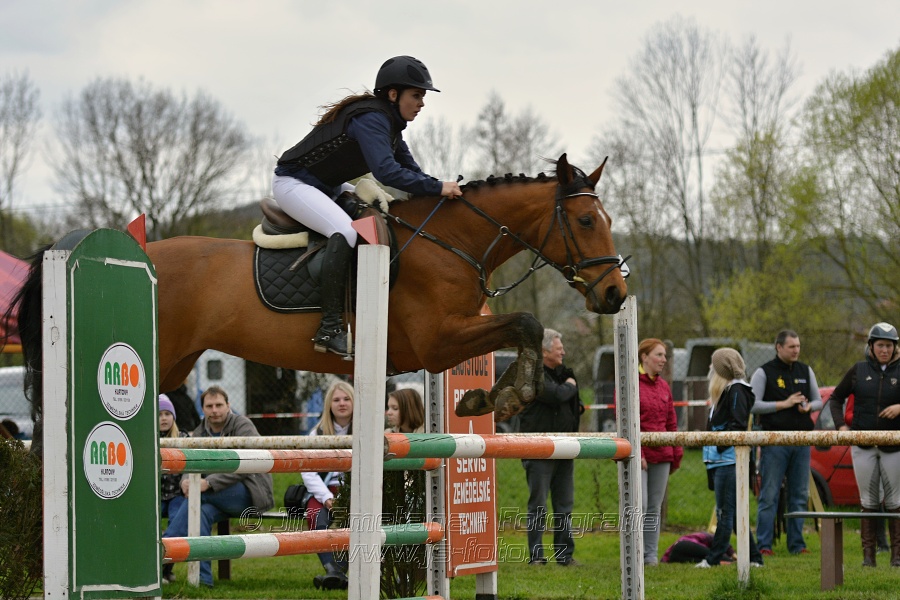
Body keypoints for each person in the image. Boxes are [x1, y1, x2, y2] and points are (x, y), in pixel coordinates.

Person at [273, 55, 463, 357]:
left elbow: (410, 170)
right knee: (346, 233)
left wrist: (440, 192)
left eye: (422, 96)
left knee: (381, 216)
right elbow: (386, 172)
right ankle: (329, 329)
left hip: (327, 188)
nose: (422, 103)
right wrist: (438, 187)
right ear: (393, 94)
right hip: (294, 184)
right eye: (416, 95)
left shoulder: (390, 125)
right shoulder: (372, 120)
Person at [161, 386, 274, 587]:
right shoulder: (200, 432)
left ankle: (161, 554)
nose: (214, 410)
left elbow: (247, 465)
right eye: (209, 406)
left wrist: (208, 483)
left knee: (199, 497)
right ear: (203, 409)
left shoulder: (243, 425)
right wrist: (186, 481)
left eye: (219, 405)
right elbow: (190, 462)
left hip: (251, 491)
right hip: (215, 495)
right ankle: (204, 581)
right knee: (202, 512)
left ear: (228, 406)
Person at [829, 322, 900, 567]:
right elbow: (835, 398)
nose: (885, 350)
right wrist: (841, 427)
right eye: (880, 345)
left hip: (894, 445)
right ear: (871, 346)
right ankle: (868, 557)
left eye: (889, 345)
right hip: (863, 444)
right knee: (868, 500)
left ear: (895, 347)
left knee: (895, 501)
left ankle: (897, 557)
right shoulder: (858, 370)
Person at [750, 329, 822, 556]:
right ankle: (764, 545)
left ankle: (797, 544)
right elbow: (753, 404)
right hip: (775, 441)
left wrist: (808, 407)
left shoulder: (805, 370)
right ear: (779, 347)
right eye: (791, 347)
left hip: (801, 441)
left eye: (798, 346)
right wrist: (784, 404)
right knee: (769, 495)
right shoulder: (764, 372)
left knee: (799, 495)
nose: (796, 350)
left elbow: (819, 401)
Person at [518, 329, 582, 566]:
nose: (563, 352)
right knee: (538, 505)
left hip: (565, 448)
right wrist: (571, 387)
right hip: (538, 449)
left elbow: (574, 403)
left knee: (564, 505)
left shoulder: (563, 374)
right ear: (544, 351)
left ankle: (564, 555)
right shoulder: (533, 375)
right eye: (558, 348)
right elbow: (556, 395)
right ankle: (536, 556)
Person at [697, 348, 764, 568]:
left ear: (722, 369)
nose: (710, 368)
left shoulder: (737, 390)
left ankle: (713, 559)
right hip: (718, 461)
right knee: (734, 514)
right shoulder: (725, 392)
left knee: (724, 513)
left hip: (729, 461)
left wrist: (719, 444)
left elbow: (738, 425)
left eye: (713, 364)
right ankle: (755, 558)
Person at [301, 381, 354, 590]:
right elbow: (308, 472)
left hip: (357, 489)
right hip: (326, 490)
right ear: (329, 405)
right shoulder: (317, 433)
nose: (342, 403)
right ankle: (333, 570)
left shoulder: (365, 429)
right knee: (315, 515)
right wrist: (327, 498)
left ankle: (337, 574)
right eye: (336, 399)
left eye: (347, 399)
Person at [637, 338, 683, 566]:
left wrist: (676, 453)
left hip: (662, 456)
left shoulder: (664, 386)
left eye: (665, 355)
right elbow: (626, 422)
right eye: (659, 355)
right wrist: (639, 454)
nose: (664, 360)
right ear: (644, 357)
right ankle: (634, 553)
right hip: (639, 457)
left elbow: (671, 422)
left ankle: (650, 556)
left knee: (654, 508)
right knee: (640, 505)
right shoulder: (630, 384)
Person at [158, 395, 188, 584]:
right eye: (159, 414)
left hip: (177, 494)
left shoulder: (183, 439)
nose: (163, 418)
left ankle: (165, 568)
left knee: (177, 522)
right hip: (156, 496)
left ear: (173, 417)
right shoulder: (148, 438)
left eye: (167, 414)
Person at [662, 532, 734, 564]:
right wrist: (733, 554)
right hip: (682, 545)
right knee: (713, 556)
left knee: (705, 561)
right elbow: (719, 540)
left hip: (674, 558)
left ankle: (727, 562)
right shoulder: (705, 537)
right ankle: (732, 562)